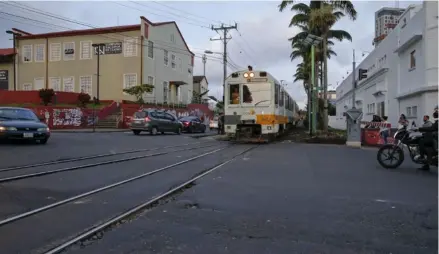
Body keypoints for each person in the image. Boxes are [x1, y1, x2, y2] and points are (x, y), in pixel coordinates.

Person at [416, 106, 438, 170]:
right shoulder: (436, 121)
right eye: (435, 111)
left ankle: (422, 156)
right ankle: (426, 164)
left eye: (436, 111)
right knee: (424, 142)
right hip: (434, 137)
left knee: (421, 141)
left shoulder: (435, 122)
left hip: (435, 139)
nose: (435, 113)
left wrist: (418, 129)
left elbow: (431, 128)